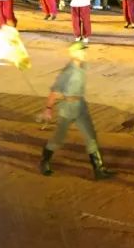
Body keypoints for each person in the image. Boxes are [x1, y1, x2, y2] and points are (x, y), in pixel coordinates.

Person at [39, 42, 115, 180]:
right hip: (67, 108)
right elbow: (54, 92)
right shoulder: (67, 72)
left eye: (84, 51)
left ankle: (99, 169)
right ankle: (44, 162)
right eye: (81, 51)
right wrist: (48, 109)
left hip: (80, 106)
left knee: (91, 137)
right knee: (58, 138)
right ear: (73, 54)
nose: (84, 53)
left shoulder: (82, 66)